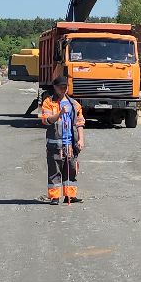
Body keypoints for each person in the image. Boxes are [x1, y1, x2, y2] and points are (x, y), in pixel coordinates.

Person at [37, 76, 85, 205]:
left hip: (71, 144)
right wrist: (60, 113)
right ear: (55, 87)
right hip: (55, 145)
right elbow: (46, 120)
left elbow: (79, 123)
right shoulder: (48, 102)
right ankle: (54, 197)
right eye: (60, 87)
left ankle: (70, 195)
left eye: (65, 87)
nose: (63, 89)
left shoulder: (74, 104)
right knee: (54, 171)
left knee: (71, 170)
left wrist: (81, 140)